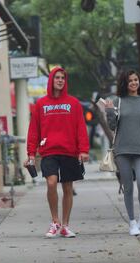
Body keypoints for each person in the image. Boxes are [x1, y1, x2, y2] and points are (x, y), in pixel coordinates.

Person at [25, 67, 89, 238]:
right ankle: (55, 221)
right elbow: (33, 130)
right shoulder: (41, 104)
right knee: (51, 183)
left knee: (68, 188)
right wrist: (31, 153)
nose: (60, 80)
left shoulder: (73, 103)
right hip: (49, 151)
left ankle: (65, 226)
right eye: (57, 77)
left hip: (69, 151)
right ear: (51, 80)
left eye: (62, 78)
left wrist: (83, 150)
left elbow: (80, 128)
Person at [105, 69, 140, 236]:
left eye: (136, 80)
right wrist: (109, 111)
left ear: (139, 82)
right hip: (122, 150)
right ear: (125, 83)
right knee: (128, 187)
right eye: (130, 81)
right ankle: (132, 223)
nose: (134, 83)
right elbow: (113, 126)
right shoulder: (118, 101)